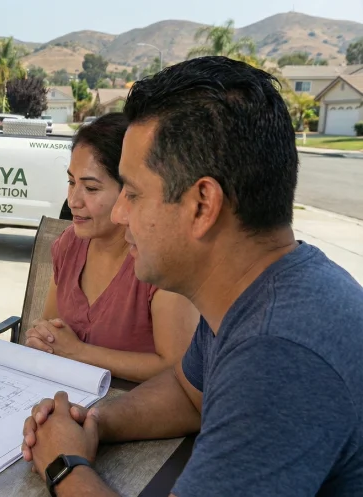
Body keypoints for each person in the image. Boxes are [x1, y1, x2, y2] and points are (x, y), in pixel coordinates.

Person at [22, 56, 363, 496]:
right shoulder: (265, 290)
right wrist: (93, 423)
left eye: (134, 193)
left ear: (202, 205)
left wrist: (64, 467)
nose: (121, 214)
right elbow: (188, 394)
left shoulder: (277, 353)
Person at [24, 113, 199, 382]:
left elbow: (177, 367)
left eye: (91, 188)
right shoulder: (70, 244)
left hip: (136, 412)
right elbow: (50, 326)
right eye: (71, 183)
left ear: (129, 192)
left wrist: (79, 352)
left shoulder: (158, 260)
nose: (73, 201)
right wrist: (43, 337)